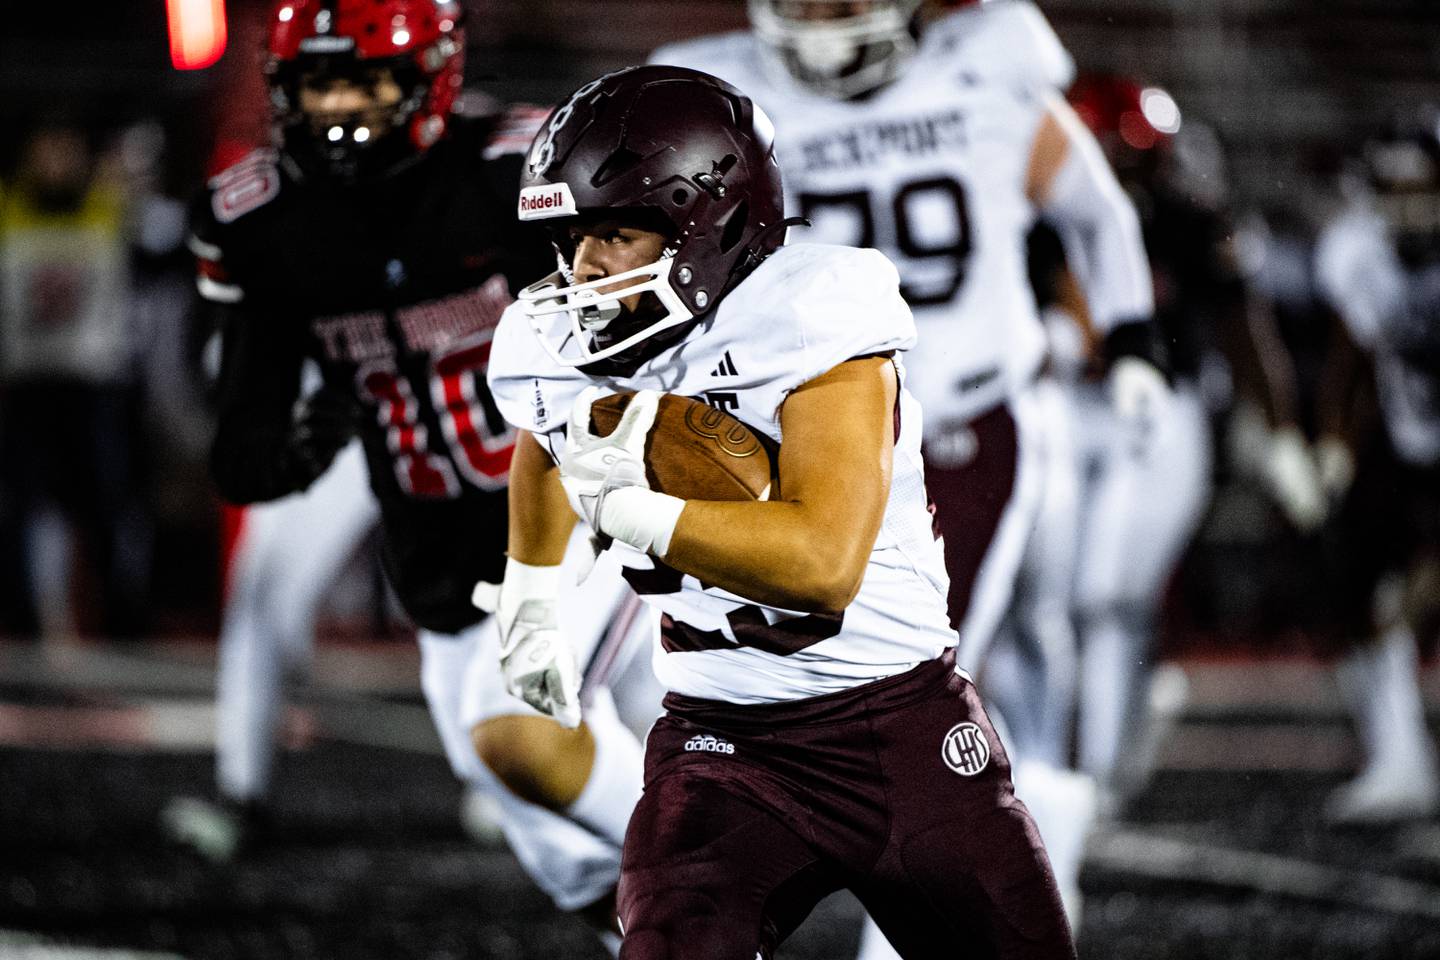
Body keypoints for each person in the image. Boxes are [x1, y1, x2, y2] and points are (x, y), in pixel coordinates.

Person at [487, 64, 1075, 960]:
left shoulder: (813, 314)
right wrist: (532, 593)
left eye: (618, 234)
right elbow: (547, 432)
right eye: (574, 239)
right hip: (719, 741)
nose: (586, 269)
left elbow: (820, 561)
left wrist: (634, 512)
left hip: (896, 730)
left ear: (708, 218)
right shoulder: (555, 336)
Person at [648, 0, 1164, 931]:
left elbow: (1098, 212)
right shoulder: (724, 95)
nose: (818, 17)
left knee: (905, 668)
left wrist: (1132, 342)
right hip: (801, 421)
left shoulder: (989, 76)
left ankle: (954, 874)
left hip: (964, 415)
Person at [189, 0, 649, 944]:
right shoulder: (267, 219)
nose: (340, 109)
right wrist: (300, 445)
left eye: (366, 82)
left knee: (527, 726)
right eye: (320, 84)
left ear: (433, 76)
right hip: (433, 546)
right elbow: (243, 451)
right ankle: (680, 916)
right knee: (544, 821)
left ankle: (737, 880)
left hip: (577, 505)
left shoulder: (514, 171)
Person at [1310, 110, 1440, 823]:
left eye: (1421, 190)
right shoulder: (1361, 250)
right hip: (1413, 444)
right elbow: (1351, 358)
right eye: (1392, 192)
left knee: (1411, 600)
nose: (1408, 209)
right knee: (1367, 596)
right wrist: (1334, 444)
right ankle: (1400, 760)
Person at [0, 119, 152, 640]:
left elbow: (160, 223)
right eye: (46, 151)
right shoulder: (10, 208)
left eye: (66, 151)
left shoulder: (107, 205)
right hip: (27, 381)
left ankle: (123, 620)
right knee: (17, 507)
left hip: (94, 380)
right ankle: (19, 621)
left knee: (108, 504)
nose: (56, 164)